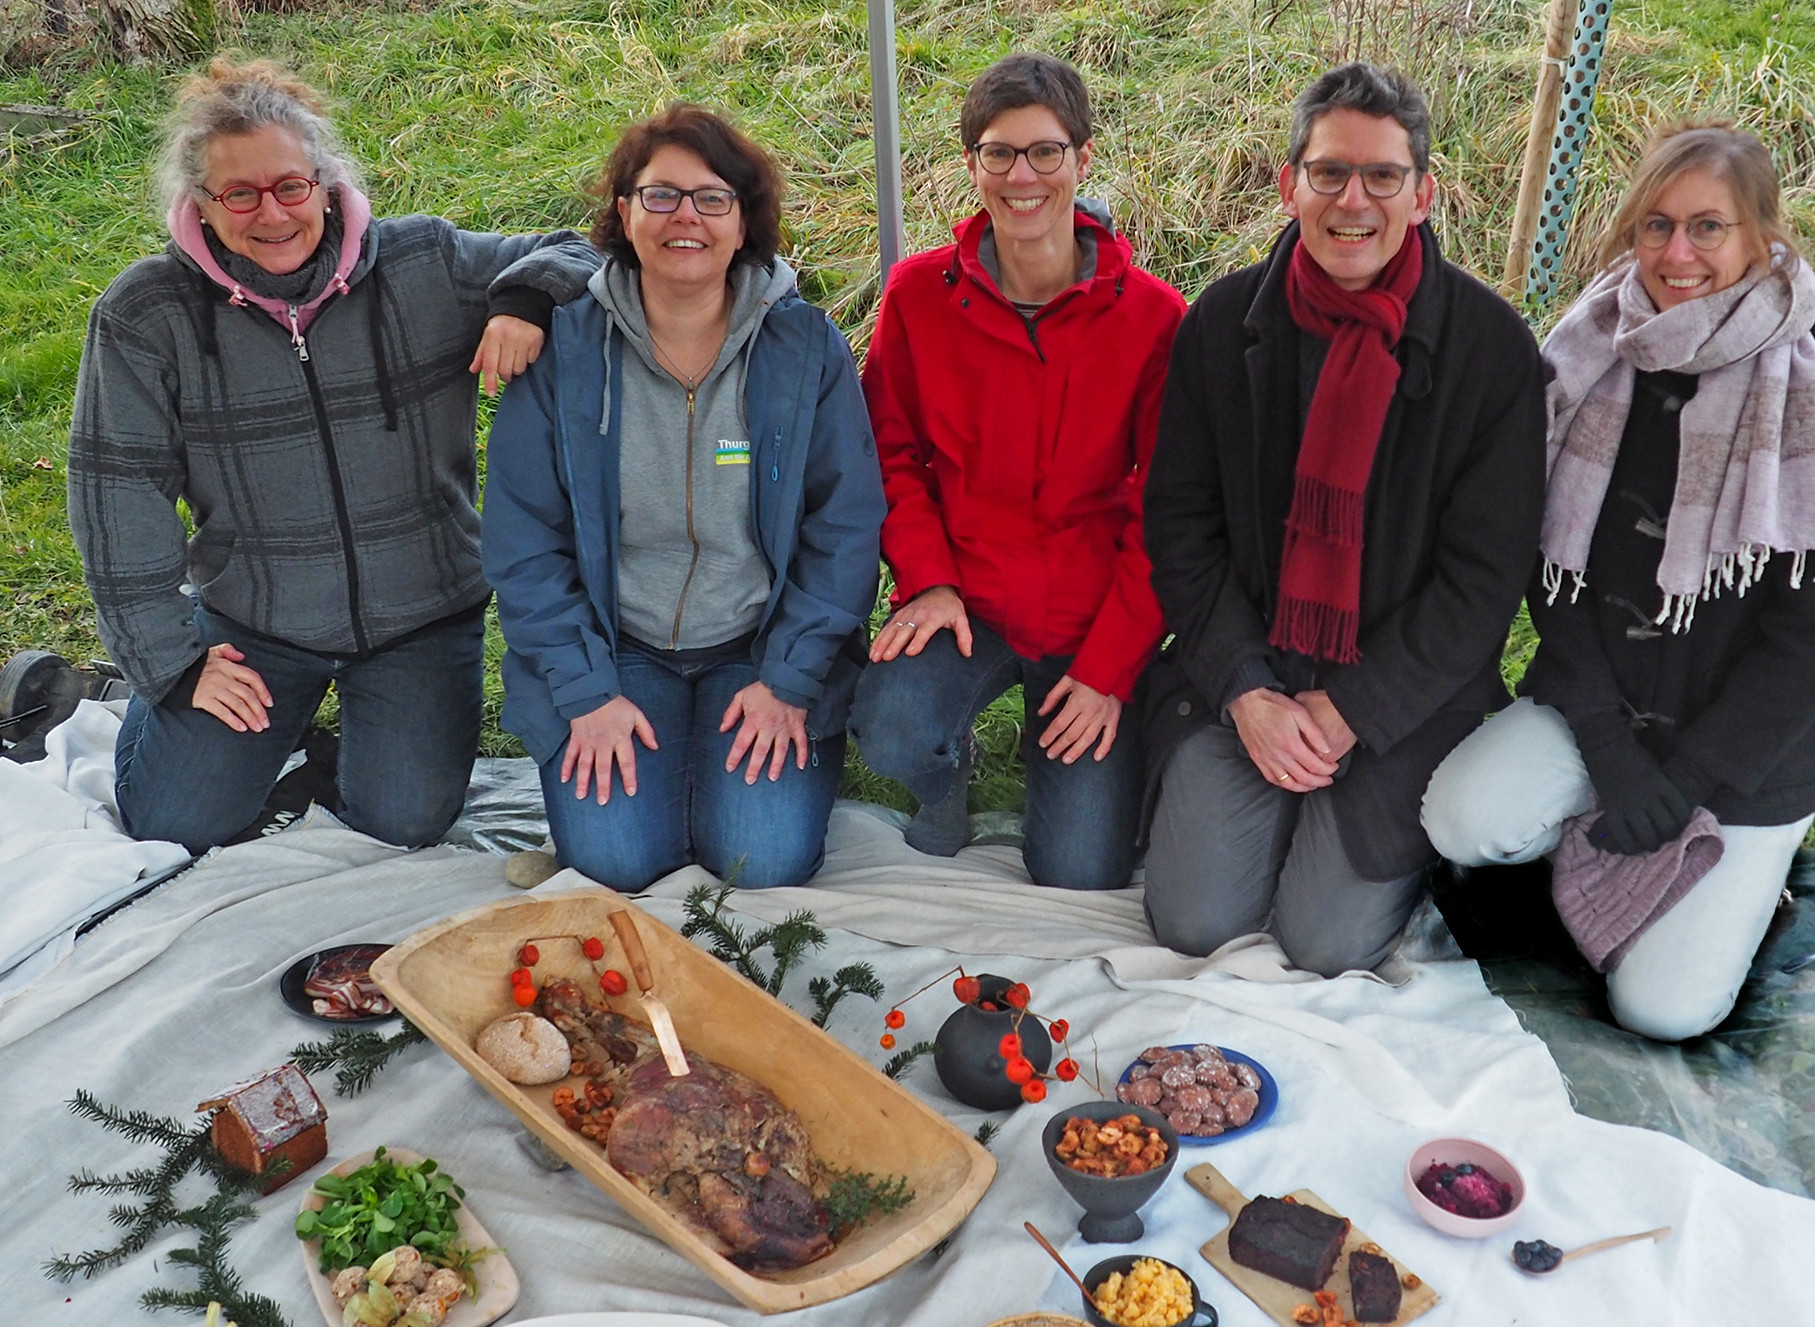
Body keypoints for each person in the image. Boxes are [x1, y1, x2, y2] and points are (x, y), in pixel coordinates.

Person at [68, 58, 600, 854]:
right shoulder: (147, 314)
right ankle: (146, 698)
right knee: (173, 820)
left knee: (405, 822)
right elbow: (117, 498)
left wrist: (525, 302)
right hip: (256, 618)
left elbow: (576, 250)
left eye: (290, 186)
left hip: (423, 614)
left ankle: (313, 745)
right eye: (239, 194)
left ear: (324, 184)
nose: (271, 213)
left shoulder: (425, 261)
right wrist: (173, 663)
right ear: (202, 204)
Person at [1422, 123, 1815, 1041]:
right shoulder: (1586, 357)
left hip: (1745, 753)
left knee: (1662, 1010)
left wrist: (1691, 777)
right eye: (1657, 226)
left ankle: (1745, 883)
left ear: (1762, 239)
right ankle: (1604, 834)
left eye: (1709, 227)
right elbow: (1552, 573)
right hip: (1605, 713)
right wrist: (1612, 753)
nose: (1678, 254)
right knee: (1461, 818)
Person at [1139, 63, 1546, 971]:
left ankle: (1352, 836)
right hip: (1249, 677)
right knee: (1193, 925)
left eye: (1382, 176)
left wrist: (1354, 707)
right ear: (1291, 186)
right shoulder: (1222, 324)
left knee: (1325, 943)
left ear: (1422, 195)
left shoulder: (1491, 350)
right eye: (1329, 172)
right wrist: (1246, 691)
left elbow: (1486, 579)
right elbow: (1181, 525)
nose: (1352, 200)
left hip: (1400, 698)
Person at [483, 104, 884, 892]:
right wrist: (586, 692)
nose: (685, 217)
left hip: (757, 644)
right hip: (617, 647)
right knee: (614, 861)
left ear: (743, 221)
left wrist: (789, 680)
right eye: (660, 195)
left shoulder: (805, 347)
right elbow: (523, 540)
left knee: (760, 858)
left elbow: (845, 525)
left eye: (711, 198)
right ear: (625, 212)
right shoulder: (568, 350)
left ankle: (744, 770)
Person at [848, 53, 1186, 889]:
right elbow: (889, 451)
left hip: (1088, 618)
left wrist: (1108, 669)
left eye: (1044, 151)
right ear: (972, 164)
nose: (1021, 176)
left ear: (1082, 157)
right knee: (891, 728)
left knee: (1080, 869)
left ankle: (1069, 742)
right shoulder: (919, 295)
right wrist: (927, 579)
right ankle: (946, 769)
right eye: (999, 153)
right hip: (967, 598)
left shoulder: (1154, 318)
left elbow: (1168, 507)